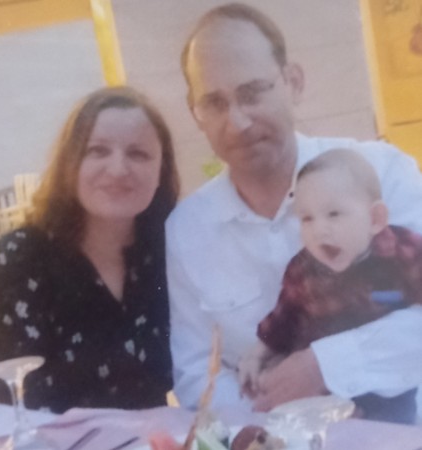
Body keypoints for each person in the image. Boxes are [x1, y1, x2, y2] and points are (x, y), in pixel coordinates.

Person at [166, 2, 422, 413]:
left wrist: (324, 366)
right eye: (214, 102)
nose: (238, 122)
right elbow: (198, 373)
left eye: (252, 92)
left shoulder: (383, 174)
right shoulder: (187, 230)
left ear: (293, 82)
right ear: (194, 112)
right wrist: (278, 423)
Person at [0, 86, 180, 413]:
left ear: (160, 172)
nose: (118, 169)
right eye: (97, 151)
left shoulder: (171, 254)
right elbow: (16, 401)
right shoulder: (14, 260)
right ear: (70, 164)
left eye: (138, 153)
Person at [238, 149, 422, 423]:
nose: (319, 230)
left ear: (375, 219)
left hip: (389, 388)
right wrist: (256, 355)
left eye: (334, 214)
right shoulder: (302, 269)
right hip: (324, 398)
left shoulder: (402, 251)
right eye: (307, 218)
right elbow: (282, 321)